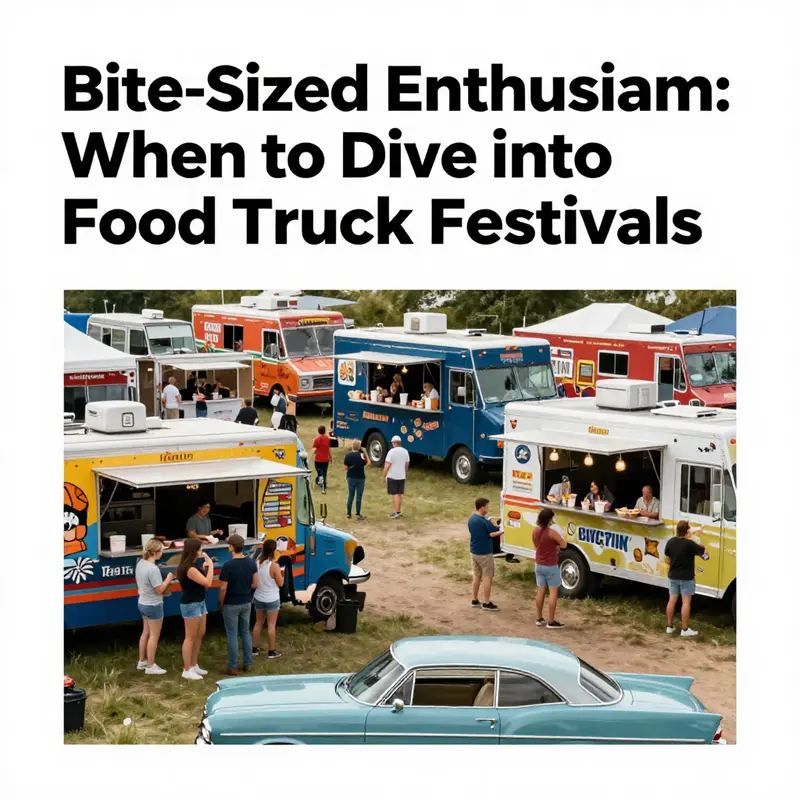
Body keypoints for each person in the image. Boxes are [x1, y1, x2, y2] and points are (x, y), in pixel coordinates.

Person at [219, 534, 258, 676]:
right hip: (246, 601)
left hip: (231, 603)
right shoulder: (251, 563)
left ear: (231, 547)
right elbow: (255, 583)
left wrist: (220, 603)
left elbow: (223, 588)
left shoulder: (228, 566)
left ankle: (232, 666)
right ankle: (248, 663)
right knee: (245, 632)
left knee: (232, 635)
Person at [177, 539, 214, 680]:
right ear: (194, 551)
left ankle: (194, 664)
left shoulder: (193, 565)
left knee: (200, 633)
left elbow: (200, 581)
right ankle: (187, 669)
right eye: (200, 549)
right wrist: (210, 566)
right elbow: (207, 583)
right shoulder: (189, 568)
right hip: (191, 604)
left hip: (200, 602)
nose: (201, 552)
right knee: (190, 637)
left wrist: (204, 569)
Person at [135, 539, 173, 675]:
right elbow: (159, 590)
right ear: (156, 553)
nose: (162, 553)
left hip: (142, 602)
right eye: (162, 551)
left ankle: (142, 661)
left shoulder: (140, 563)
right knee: (154, 636)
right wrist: (168, 579)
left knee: (145, 632)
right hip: (154, 604)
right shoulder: (153, 569)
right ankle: (151, 666)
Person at [665, 521, 707, 637]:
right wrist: (701, 539)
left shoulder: (670, 542)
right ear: (687, 531)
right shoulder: (690, 544)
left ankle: (669, 626)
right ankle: (684, 629)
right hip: (687, 577)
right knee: (686, 603)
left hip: (673, 576)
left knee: (671, 600)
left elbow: (667, 559)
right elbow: (705, 555)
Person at [533, 508, 567, 629]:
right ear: (549, 520)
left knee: (540, 591)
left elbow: (536, 545)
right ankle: (551, 621)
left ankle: (539, 618)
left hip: (538, 564)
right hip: (551, 566)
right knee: (553, 593)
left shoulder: (535, 531)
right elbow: (564, 544)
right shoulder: (552, 532)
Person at [468, 497, 504, 611]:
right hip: (484, 553)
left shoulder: (471, 519)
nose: (488, 508)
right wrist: (502, 531)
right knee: (488, 577)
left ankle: (474, 599)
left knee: (476, 576)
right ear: (482, 507)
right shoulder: (484, 521)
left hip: (474, 551)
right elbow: (492, 533)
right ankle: (487, 602)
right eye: (487, 506)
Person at [252, 538, 284, 659]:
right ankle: (271, 651)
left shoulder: (257, 563)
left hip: (259, 597)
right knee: (271, 625)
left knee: (258, 623)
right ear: (274, 551)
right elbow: (280, 583)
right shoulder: (274, 566)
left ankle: (254, 648)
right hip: (272, 598)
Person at [383, 434, 410, 519]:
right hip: (402, 476)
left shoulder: (391, 452)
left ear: (394, 443)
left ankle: (396, 512)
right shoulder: (405, 451)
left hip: (393, 476)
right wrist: (404, 472)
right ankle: (398, 510)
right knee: (399, 494)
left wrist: (384, 474)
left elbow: (387, 464)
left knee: (395, 494)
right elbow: (406, 465)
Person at [343, 439, 367, 520]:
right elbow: (367, 463)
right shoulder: (361, 455)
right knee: (359, 497)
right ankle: (358, 513)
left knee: (351, 495)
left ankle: (348, 513)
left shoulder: (347, 456)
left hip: (351, 477)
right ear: (359, 447)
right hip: (360, 477)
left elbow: (346, 467)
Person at [312, 425, 331, 494]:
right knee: (324, 472)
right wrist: (330, 456)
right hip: (326, 459)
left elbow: (314, 449)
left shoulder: (317, 439)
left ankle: (321, 483)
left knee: (320, 472)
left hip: (318, 459)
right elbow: (328, 448)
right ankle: (323, 483)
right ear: (324, 431)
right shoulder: (327, 439)